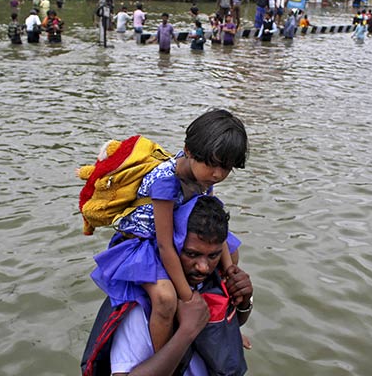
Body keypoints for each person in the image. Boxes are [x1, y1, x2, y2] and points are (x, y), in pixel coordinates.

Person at [90, 110, 248, 354]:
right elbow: (163, 245)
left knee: (232, 254)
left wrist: (229, 269)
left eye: (226, 168)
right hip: (143, 243)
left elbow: (213, 220)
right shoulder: (165, 181)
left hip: (178, 232)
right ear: (188, 151)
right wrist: (187, 297)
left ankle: (224, 326)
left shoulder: (204, 178)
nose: (217, 174)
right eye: (211, 164)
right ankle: (165, 355)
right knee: (165, 299)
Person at [84, 195, 253, 376]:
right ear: (172, 246)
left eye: (213, 256)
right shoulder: (144, 306)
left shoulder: (210, 280)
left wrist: (244, 301)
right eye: (191, 254)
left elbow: (229, 324)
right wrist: (186, 331)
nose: (203, 267)